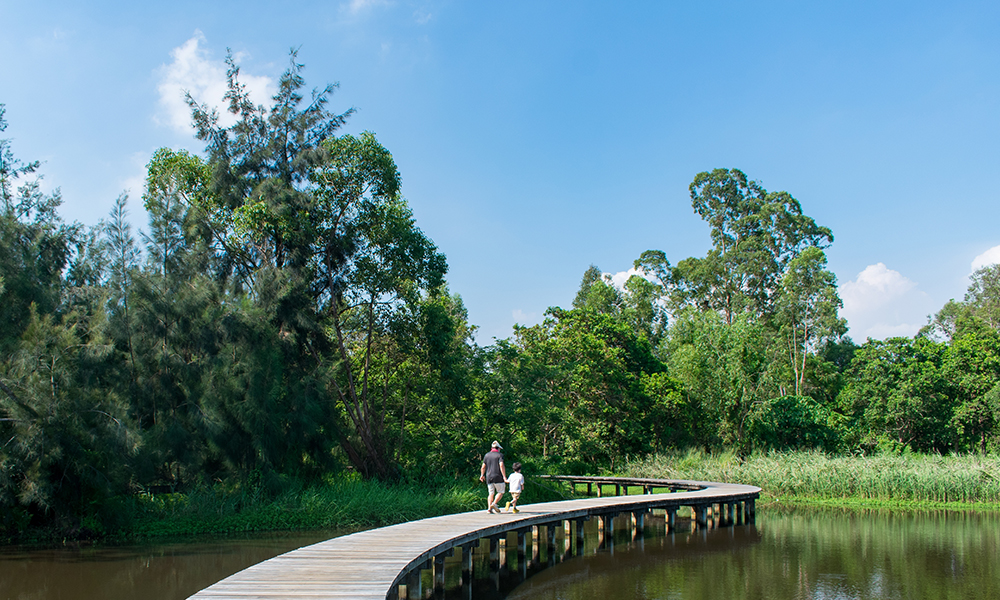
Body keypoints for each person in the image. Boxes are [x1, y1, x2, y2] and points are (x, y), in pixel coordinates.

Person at [479, 440, 507, 514]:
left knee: (491, 493)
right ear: (498, 448)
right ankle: (494, 503)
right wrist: (504, 476)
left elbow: (483, 467)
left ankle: (489, 509)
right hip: (498, 476)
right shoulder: (500, 455)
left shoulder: (487, 455)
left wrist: (482, 475)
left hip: (489, 477)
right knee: (501, 492)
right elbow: (501, 465)